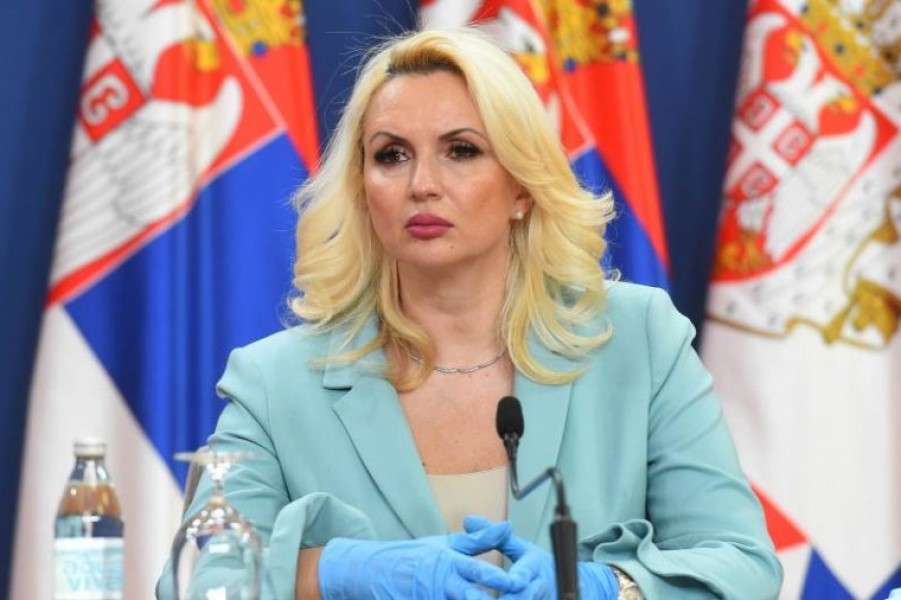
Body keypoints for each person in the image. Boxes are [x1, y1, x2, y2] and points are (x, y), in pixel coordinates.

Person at [157, 28, 782, 599]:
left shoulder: (637, 340)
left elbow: (743, 568)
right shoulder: (275, 383)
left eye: (461, 150)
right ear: (361, 188)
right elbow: (195, 584)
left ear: (521, 186)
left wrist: (605, 587)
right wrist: (339, 570)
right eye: (391, 155)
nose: (422, 184)